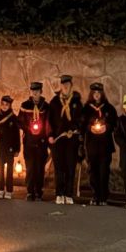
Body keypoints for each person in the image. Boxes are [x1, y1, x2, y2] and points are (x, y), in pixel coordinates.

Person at [48, 75, 83, 205]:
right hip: (58, 139)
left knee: (70, 167)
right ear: (61, 86)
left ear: (71, 85)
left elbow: (81, 119)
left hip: (71, 139)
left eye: (68, 84)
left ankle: (69, 194)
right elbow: (49, 120)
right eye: (63, 85)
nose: (65, 87)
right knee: (59, 168)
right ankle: (59, 194)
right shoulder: (55, 102)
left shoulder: (76, 101)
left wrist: (74, 129)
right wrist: (51, 135)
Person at [81, 82, 117, 205]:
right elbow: (82, 124)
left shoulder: (109, 108)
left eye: (99, 92)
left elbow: (114, 124)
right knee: (93, 171)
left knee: (104, 171)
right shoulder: (86, 108)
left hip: (105, 146)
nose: (96, 95)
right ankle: (95, 195)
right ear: (92, 94)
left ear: (102, 93)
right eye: (94, 93)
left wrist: (106, 127)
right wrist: (89, 127)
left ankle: (103, 197)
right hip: (91, 145)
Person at [18, 81, 50, 201]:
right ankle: (30, 191)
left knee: (40, 167)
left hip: (41, 142)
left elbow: (48, 123)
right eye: (33, 91)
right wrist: (28, 129)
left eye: (37, 91)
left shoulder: (45, 106)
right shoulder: (25, 105)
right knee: (30, 167)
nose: (35, 93)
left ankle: (39, 191)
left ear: (41, 92)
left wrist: (45, 136)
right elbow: (19, 121)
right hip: (29, 142)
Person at [0, 95, 21, 199]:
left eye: (7, 105)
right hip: (0, 148)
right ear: (0, 104)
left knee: (9, 171)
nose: (4, 106)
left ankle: (9, 190)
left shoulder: (13, 118)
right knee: (0, 171)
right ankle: (0, 190)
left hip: (10, 148)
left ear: (10, 106)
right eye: (3, 104)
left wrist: (17, 149)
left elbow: (17, 134)